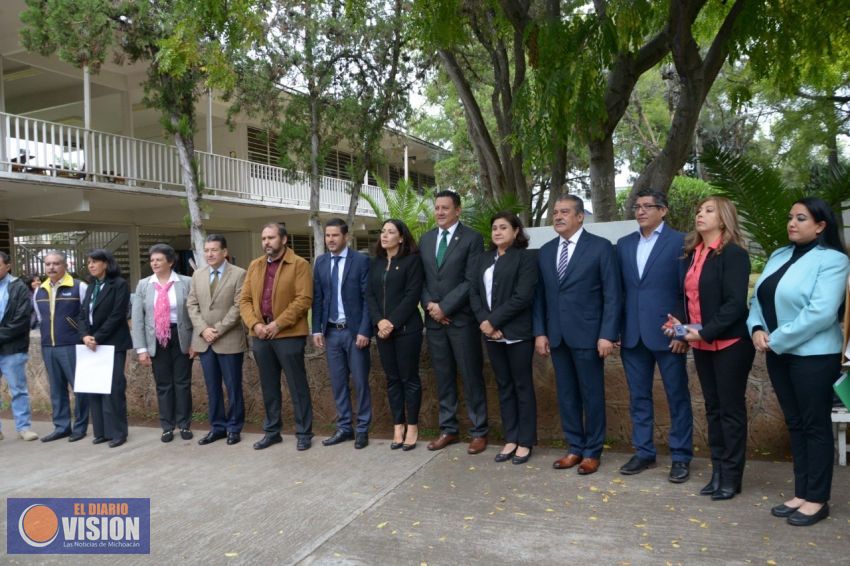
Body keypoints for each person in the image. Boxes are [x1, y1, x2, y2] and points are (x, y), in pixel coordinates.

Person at [748, 196, 850, 527]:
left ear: (821, 226)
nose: (792, 223)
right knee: (795, 423)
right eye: (791, 217)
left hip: (814, 356)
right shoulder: (779, 255)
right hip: (779, 354)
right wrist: (757, 329)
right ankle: (802, 492)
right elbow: (758, 299)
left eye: (801, 218)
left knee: (814, 425)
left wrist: (776, 339)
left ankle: (818, 499)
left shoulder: (833, 260)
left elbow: (821, 313)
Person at [664, 197, 754, 500]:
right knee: (714, 410)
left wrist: (700, 334)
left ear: (724, 218)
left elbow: (734, 306)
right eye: (699, 210)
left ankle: (731, 477)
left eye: (708, 210)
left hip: (730, 344)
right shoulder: (694, 253)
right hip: (703, 344)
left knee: (730, 412)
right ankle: (718, 472)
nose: (700, 214)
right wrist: (681, 324)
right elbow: (689, 297)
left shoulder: (734, 254)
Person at [533, 195, 622, 475]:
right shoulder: (546, 251)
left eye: (565, 212)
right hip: (557, 337)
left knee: (591, 395)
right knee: (567, 395)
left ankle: (592, 452)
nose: (558, 217)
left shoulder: (600, 248)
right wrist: (540, 333)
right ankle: (574, 448)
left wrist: (608, 334)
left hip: (589, 335)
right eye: (555, 212)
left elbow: (612, 295)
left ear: (580, 216)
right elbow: (541, 298)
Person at [616, 189, 693, 483]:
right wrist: (617, 330)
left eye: (648, 206)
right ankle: (644, 452)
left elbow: (687, 291)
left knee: (677, 397)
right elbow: (619, 292)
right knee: (638, 398)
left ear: (664, 211)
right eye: (638, 206)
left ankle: (681, 456)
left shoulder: (681, 241)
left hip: (668, 333)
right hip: (633, 335)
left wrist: (682, 331)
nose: (641, 211)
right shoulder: (624, 244)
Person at [419, 190, 489, 454]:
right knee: (444, 377)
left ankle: (479, 431)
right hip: (435, 323)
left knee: (471, 377)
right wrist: (432, 307)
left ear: (457, 210)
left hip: (461, 322)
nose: (439, 212)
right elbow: (422, 280)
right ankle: (448, 429)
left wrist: (445, 307)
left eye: (445, 208)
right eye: (436, 208)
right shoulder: (426, 240)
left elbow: (471, 280)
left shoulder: (472, 238)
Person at [470, 212, 538, 465]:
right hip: (490, 334)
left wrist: (494, 321)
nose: (497, 232)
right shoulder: (483, 259)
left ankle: (526, 441)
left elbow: (523, 296)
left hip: (518, 333)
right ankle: (511, 438)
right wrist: (485, 323)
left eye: (503, 227)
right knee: (504, 386)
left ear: (516, 231)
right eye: (494, 228)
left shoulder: (526, 258)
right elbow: (474, 293)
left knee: (522, 386)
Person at [239, 222, 314, 451]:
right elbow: (245, 300)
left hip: (289, 335)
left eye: (271, 238)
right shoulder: (255, 265)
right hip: (261, 335)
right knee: (269, 386)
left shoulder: (299, 264)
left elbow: (303, 299)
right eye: (263, 238)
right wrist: (256, 324)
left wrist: (278, 324)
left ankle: (304, 432)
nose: (266, 243)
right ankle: (272, 431)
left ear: (283, 240)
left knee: (296, 385)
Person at [312, 219, 373, 450]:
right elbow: (318, 297)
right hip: (331, 332)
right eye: (327, 235)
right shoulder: (321, 262)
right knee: (338, 383)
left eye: (335, 235)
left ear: (346, 237)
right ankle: (345, 427)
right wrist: (317, 328)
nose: (330, 240)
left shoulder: (361, 261)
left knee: (360, 382)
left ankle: (362, 429)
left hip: (354, 332)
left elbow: (368, 299)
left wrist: (364, 330)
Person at [367, 219, 423, 451]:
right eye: (383, 231)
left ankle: (412, 426)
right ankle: (397, 425)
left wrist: (392, 322)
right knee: (392, 380)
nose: (385, 235)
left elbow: (412, 296)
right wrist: (380, 321)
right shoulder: (377, 263)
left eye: (391, 232)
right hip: (383, 331)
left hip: (407, 330)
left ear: (401, 237)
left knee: (409, 379)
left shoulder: (412, 261)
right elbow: (369, 295)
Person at [187, 235, 248, 446]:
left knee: (233, 387)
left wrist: (218, 330)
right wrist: (204, 330)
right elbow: (191, 305)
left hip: (229, 339)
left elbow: (239, 306)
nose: (209, 254)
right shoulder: (198, 275)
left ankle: (234, 427)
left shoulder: (239, 274)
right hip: (205, 341)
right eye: (207, 250)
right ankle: (217, 427)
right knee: (212, 388)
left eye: (214, 250)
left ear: (224, 252)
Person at [131, 243, 194, 443]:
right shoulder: (144, 285)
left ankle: (184, 424)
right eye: (152, 260)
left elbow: (195, 313)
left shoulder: (186, 282)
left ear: (171, 262)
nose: (154, 263)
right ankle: (167, 426)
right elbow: (138, 318)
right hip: (156, 338)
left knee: (182, 383)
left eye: (159, 259)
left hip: (181, 337)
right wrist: (141, 349)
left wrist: (195, 342)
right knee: (163, 384)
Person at [77, 249, 132, 448]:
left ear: (106, 264)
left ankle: (117, 432)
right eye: (89, 262)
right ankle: (101, 432)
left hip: (112, 343)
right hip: (91, 345)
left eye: (95, 262)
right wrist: (85, 336)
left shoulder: (119, 284)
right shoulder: (92, 286)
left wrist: (97, 337)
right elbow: (82, 315)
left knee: (113, 389)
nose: (91, 265)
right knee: (95, 388)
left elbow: (118, 315)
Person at [34, 251, 89, 442]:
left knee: (79, 387)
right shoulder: (39, 290)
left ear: (65, 266)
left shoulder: (78, 286)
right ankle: (61, 426)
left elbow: (87, 314)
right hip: (48, 346)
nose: (51, 267)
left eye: (56, 263)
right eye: (48, 264)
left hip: (72, 345)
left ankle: (80, 427)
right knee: (56, 389)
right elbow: (41, 319)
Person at [0, 251, 39, 441]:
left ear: (8, 266)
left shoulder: (18, 287)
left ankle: (23, 427)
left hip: (12, 348)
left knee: (18, 389)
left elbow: (21, 320)